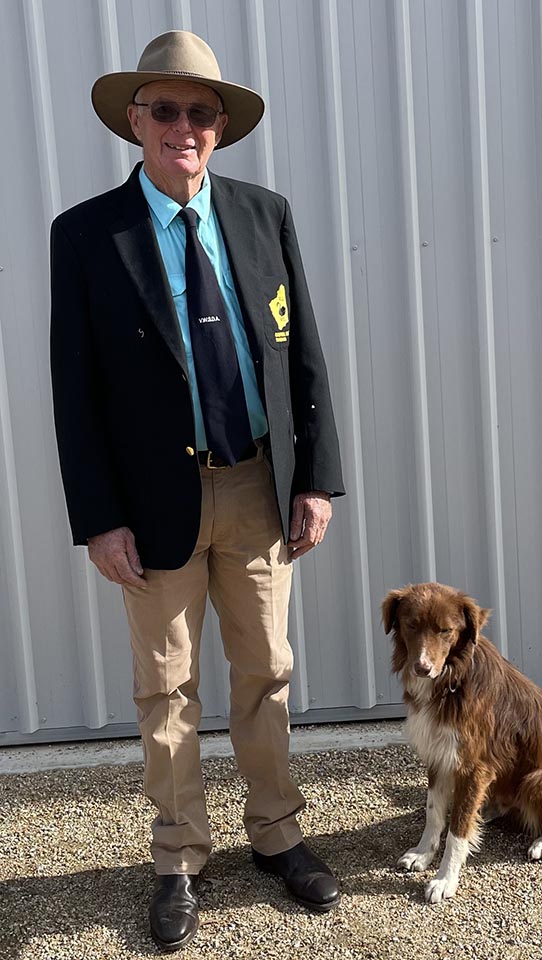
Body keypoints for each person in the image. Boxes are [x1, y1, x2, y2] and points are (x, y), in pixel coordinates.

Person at [50, 30, 344, 952]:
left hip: (257, 484)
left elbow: (304, 360)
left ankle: (278, 835)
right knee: (165, 686)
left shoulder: (263, 215)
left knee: (266, 672)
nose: (184, 126)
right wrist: (99, 517)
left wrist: (317, 479)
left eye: (201, 112)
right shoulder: (89, 235)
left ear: (221, 128)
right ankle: (179, 854)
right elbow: (75, 387)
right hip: (150, 503)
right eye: (166, 109)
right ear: (135, 120)